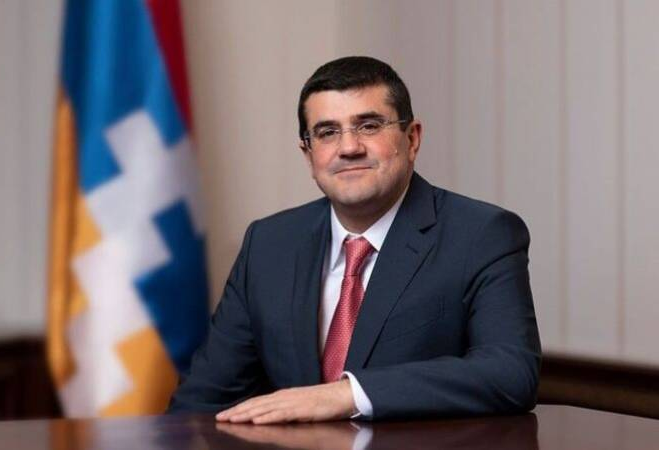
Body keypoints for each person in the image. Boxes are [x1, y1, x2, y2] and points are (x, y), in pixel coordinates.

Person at [168, 56, 541, 423]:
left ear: (412, 139)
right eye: (327, 132)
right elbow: (202, 401)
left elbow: (510, 374)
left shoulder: (481, 235)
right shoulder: (269, 244)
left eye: (369, 126)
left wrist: (347, 394)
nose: (349, 148)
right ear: (308, 154)